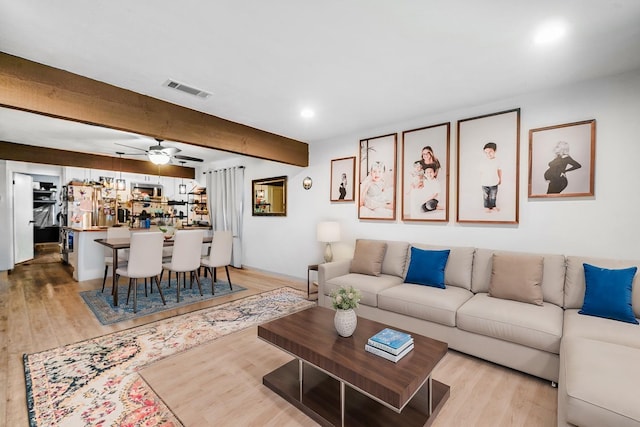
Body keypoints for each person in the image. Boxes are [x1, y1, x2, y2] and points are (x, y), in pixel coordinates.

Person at [480, 142, 501, 212]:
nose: (488, 154)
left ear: (495, 151)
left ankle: (493, 206)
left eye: (490, 152)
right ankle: (486, 207)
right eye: (486, 152)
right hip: (485, 182)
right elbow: (481, 172)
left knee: (493, 195)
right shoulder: (483, 161)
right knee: (485, 195)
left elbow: (499, 170)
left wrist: (500, 179)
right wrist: (481, 179)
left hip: (494, 181)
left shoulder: (498, 161)